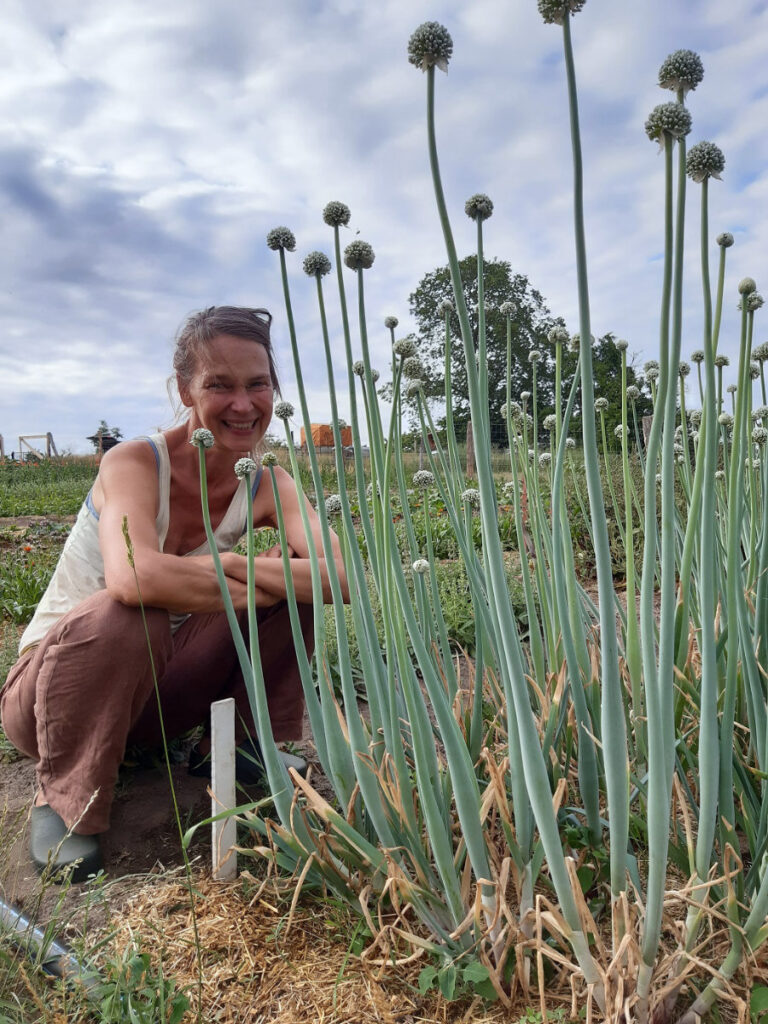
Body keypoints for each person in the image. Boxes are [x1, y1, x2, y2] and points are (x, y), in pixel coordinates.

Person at [0, 306, 348, 882]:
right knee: (128, 612)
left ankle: (237, 749)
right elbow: (134, 579)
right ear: (185, 390)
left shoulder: (268, 481)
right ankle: (66, 800)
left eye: (258, 384)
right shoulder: (134, 462)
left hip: (158, 698)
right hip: (50, 700)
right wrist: (240, 570)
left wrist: (245, 570)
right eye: (220, 385)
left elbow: (339, 577)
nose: (244, 404)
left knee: (291, 579)